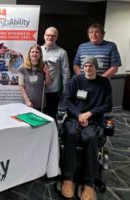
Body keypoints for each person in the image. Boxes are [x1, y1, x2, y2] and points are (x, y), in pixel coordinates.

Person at [61, 56, 112, 200]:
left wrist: (89, 114)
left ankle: (89, 183)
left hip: (94, 120)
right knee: (71, 134)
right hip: (75, 118)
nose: (88, 68)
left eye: (91, 66)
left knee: (91, 137)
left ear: (96, 67)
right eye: (86, 66)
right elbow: (67, 101)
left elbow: (108, 105)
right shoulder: (76, 80)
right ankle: (67, 178)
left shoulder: (104, 83)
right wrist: (79, 115)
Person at [41, 27, 70, 120]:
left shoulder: (62, 52)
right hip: (38, 89)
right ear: (44, 36)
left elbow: (66, 73)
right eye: (48, 35)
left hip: (52, 90)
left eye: (53, 35)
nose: (50, 37)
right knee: (38, 114)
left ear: (56, 37)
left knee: (51, 116)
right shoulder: (37, 50)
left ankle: (53, 134)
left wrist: (65, 90)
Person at [18, 45, 51, 111]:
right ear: (29, 53)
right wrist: (27, 101)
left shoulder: (44, 66)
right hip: (28, 103)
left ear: (40, 54)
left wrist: (47, 72)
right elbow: (21, 85)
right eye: (32, 52)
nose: (34, 54)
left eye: (37, 52)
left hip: (41, 103)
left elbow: (48, 84)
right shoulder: (22, 68)